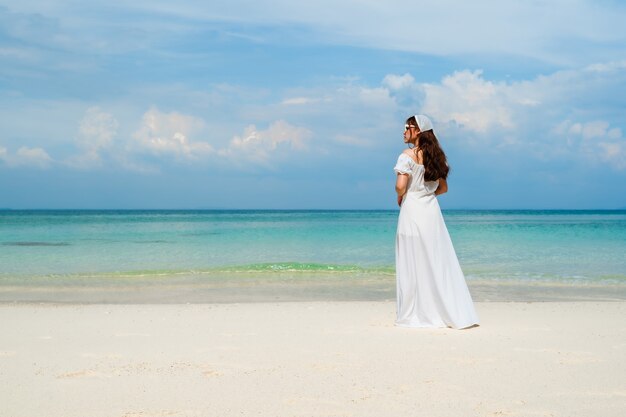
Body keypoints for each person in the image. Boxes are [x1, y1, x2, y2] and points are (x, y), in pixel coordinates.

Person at [393, 115, 479, 329]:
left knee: (412, 259)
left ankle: (415, 312)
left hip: (412, 209)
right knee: (435, 260)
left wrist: (402, 194)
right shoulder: (437, 159)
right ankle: (445, 309)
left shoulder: (407, 156)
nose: (404, 131)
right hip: (431, 212)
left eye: (407, 127)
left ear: (418, 131)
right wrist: (425, 194)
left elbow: (400, 186)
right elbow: (443, 189)